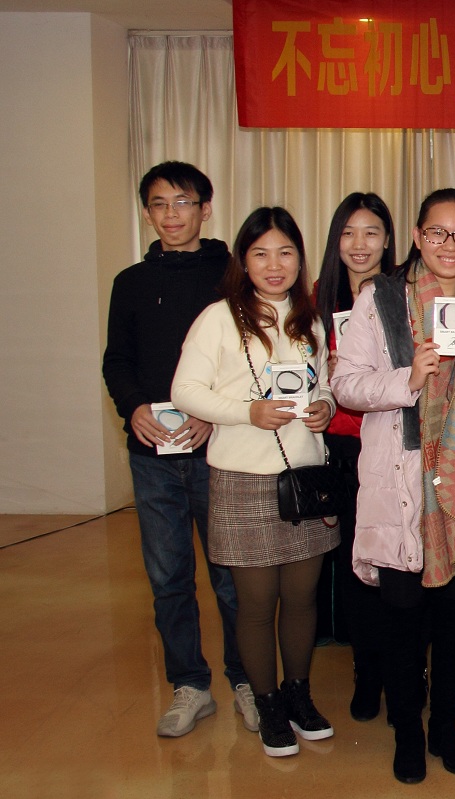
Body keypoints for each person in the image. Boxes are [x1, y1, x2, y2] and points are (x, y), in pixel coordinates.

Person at [332, 188, 455, 784]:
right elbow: (346, 384)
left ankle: (445, 726)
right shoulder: (380, 299)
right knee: (402, 616)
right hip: (402, 482)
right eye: (437, 232)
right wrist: (406, 378)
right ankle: (407, 733)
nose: (449, 244)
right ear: (417, 237)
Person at [172, 206, 339, 758]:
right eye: (261, 253)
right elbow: (185, 391)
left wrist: (323, 406)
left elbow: (323, 383)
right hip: (243, 481)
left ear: (299, 259)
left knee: (303, 598)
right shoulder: (219, 318)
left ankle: (299, 695)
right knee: (257, 603)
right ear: (243, 261)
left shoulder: (309, 319)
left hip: (305, 479)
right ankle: (267, 703)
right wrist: (248, 412)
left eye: (285, 252)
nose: (274, 264)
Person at [102, 161, 253, 738]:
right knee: (168, 578)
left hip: (220, 451)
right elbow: (117, 360)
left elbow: (248, 361)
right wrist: (134, 406)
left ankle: (247, 679)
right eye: (159, 204)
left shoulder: (232, 277)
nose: (171, 215)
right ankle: (190, 685)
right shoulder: (130, 282)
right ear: (147, 213)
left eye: (183, 202)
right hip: (153, 457)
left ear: (205, 209)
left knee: (232, 577)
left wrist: (213, 414)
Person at [313, 192, 398, 722]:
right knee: (356, 569)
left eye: (371, 232)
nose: (359, 244)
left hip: (393, 443)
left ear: (388, 240)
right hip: (341, 449)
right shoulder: (316, 299)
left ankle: (405, 672)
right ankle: (366, 673)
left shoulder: (404, 294)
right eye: (348, 233)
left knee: (401, 569)